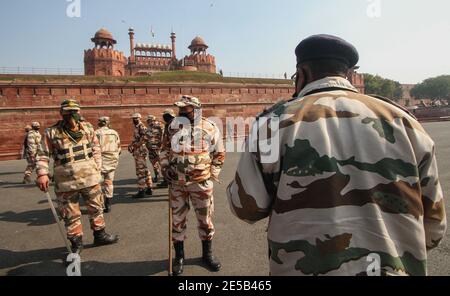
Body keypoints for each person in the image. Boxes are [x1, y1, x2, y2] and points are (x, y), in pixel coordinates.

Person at [227, 34, 447, 276]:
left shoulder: (273, 125)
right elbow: (434, 227)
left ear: (302, 75)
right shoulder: (406, 124)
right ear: (350, 74)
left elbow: (246, 207)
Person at [35, 99, 119, 254]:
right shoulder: (51, 132)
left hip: (90, 177)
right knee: (70, 213)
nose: (72, 115)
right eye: (68, 112)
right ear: (62, 113)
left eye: (74, 111)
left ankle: (100, 234)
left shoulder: (87, 128)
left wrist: (97, 166)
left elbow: (96, 148)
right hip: (66, 181)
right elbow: (42, 155)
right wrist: (42, 174)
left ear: (79, 112)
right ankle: (76, 243)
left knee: (96, 207)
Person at [160, 95, 225, 276]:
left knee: (205, 221)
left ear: (196, 110)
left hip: (201, 183)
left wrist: (212, 175)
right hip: (177, 183)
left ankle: (207, 254)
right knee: (177, 221)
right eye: (180, 110)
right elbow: (164, 150)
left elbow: (219, 153)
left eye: (185, 110)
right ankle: (179, 257)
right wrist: (165, 168)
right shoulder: (173, 127)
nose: (181, 112)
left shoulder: (210, 127)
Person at [95, 116, 121, 213]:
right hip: (112, 160)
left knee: (97, 184)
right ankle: (108, 203)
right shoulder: (114, 132)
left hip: (100, 161)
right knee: (109, 182)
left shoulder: (96, 133)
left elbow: (92, 147)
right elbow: (118, 147)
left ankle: (100, 204)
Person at [128, 113, 153, 198]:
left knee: (140, 171)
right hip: (138, 151)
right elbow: (137, 138)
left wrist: (137, 145)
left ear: (140, 118)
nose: (134, 120)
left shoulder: (141, 127)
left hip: (140, 151)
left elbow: (145, 138)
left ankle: (141, 190)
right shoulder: (137, 127)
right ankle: (149, 187)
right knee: (144, 169)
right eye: (133, 118)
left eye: (136, 118)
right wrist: (131, 144)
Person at [159, 109, 176, 188]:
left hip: (175, 152)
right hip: (168, 150)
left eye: (166, 115)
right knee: (165, 168)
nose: (165, 117)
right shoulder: (167, 124)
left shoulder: (175, 124)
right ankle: (168, 182)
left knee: (173, 170)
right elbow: (166, 137)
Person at [144, 115, 163, 184]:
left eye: (149, 120)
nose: (148, 122)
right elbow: (146, 136)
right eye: (148, 120)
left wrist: (161, 145)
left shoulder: (159, 126)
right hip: (151, 149)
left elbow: (163, 135)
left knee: (162, 163)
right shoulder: (149, 127)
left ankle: (165, 178)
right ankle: (157, 176)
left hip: (158, 148)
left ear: (153, 120)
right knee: (154, 163)